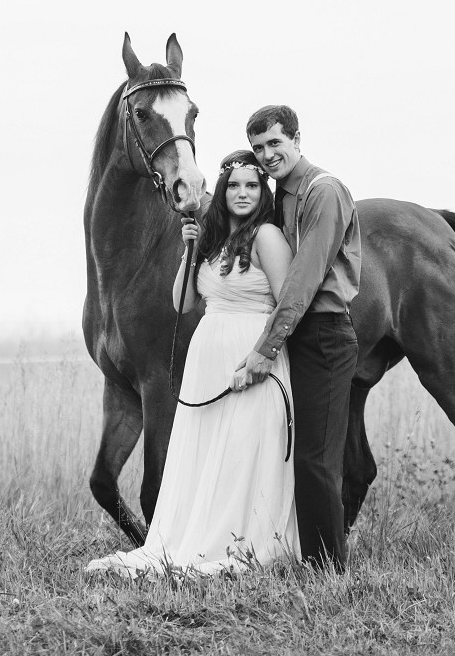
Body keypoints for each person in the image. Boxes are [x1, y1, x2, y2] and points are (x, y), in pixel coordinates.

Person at [87, 150, 298, 576]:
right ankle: (194, 536)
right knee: (209, 454)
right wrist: (190, 246)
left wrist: (261, 355)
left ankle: (245, 540)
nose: (242, 193)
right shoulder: (212, 240)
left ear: (263, 193)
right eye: (234, 185)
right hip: (207, 357)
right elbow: (182, 303)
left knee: (243, 453)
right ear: (221, 191)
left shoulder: (268, 237)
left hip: (249, 353)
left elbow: (287, 303)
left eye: (252, 186)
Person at [236, 104, 361, 572]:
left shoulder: (322, 192)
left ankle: (329, 571)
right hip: (297, 335)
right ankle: (309, 558)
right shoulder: (281, 196)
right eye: (258, 147)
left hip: (325, 335)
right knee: (295, 455)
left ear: (296, 139)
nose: (267, 155)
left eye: (275, 143)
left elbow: (303, 280)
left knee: (316, 459)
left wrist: (265, 348)